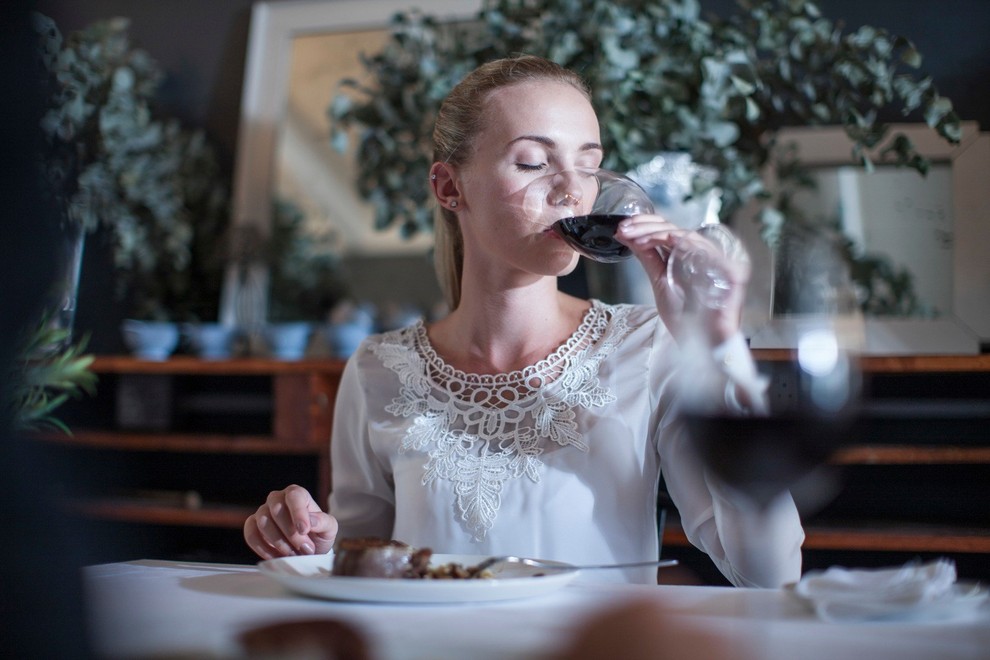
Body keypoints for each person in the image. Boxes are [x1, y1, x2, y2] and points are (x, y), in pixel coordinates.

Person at [244, 55, 804, 587]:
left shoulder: (649, 346)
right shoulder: (377, 368)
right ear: (449, 187)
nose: (571, 190)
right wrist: (307, 540)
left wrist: (715, 347)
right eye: (535, 162)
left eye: (587, 165)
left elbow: (771, 570)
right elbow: (362, 563)